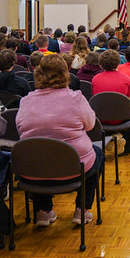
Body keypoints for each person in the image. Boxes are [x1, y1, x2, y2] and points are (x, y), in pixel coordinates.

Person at [16, 54, 103, 226]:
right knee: (97, 154)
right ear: (66, 74)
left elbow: (21, 129)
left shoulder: (26, 101)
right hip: (74, 167)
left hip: (32, 169)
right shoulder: (76, 98)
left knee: (41, 153)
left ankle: (42, 211)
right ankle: (82, 210)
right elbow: (91, 125)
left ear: (38, 73)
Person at [91, 49, 130, 153]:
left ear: (101, 64)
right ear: (118, 62)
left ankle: (111, 136)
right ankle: (118, 136)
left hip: (100, 119)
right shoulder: (126, 79)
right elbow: (127, 102)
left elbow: (96, 99)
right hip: (121, 118)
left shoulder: (95, 79)